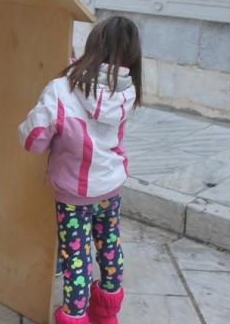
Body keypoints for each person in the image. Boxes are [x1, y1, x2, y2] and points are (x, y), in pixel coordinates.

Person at [18, 16, 141, 324]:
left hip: (74, 195)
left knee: (76, 259)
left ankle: (75, 316)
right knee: (110, 246)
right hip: (110, 188)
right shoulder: (127, 92)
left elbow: (33, 140)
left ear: (93, 45)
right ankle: (107, 315)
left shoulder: (62, 89)